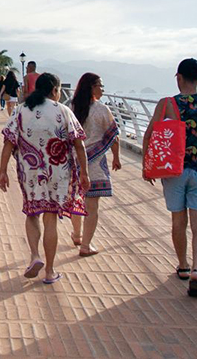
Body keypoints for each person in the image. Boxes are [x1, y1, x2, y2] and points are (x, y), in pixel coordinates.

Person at [0, 72, 89, 285]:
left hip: (30, 170)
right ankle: (49, 271)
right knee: (50, 219)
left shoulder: (21, 110)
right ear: (55, 91)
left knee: (32, 213)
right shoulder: (63, 110)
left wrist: (2, 171)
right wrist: (84, 172)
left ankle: (34, 256)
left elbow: (8, 142)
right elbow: (79, 143)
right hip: (58, 172)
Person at [143, 58, 197, 298]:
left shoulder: (166, 104)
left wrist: (147, 167)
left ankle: (183, 266)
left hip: (173, 172)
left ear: (178, 77)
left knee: (179, 222)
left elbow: (149, 137)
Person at [67, 72, 120, 256]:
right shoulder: (102, 110)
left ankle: (76, 234)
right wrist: (117, 158)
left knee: (76, 199)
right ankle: (85, 245)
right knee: (92, 206)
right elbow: (114, 136)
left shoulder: (71, 108)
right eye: (100, 85)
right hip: (95, 164)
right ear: (92, 87)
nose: (102, 89)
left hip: (74, 162)